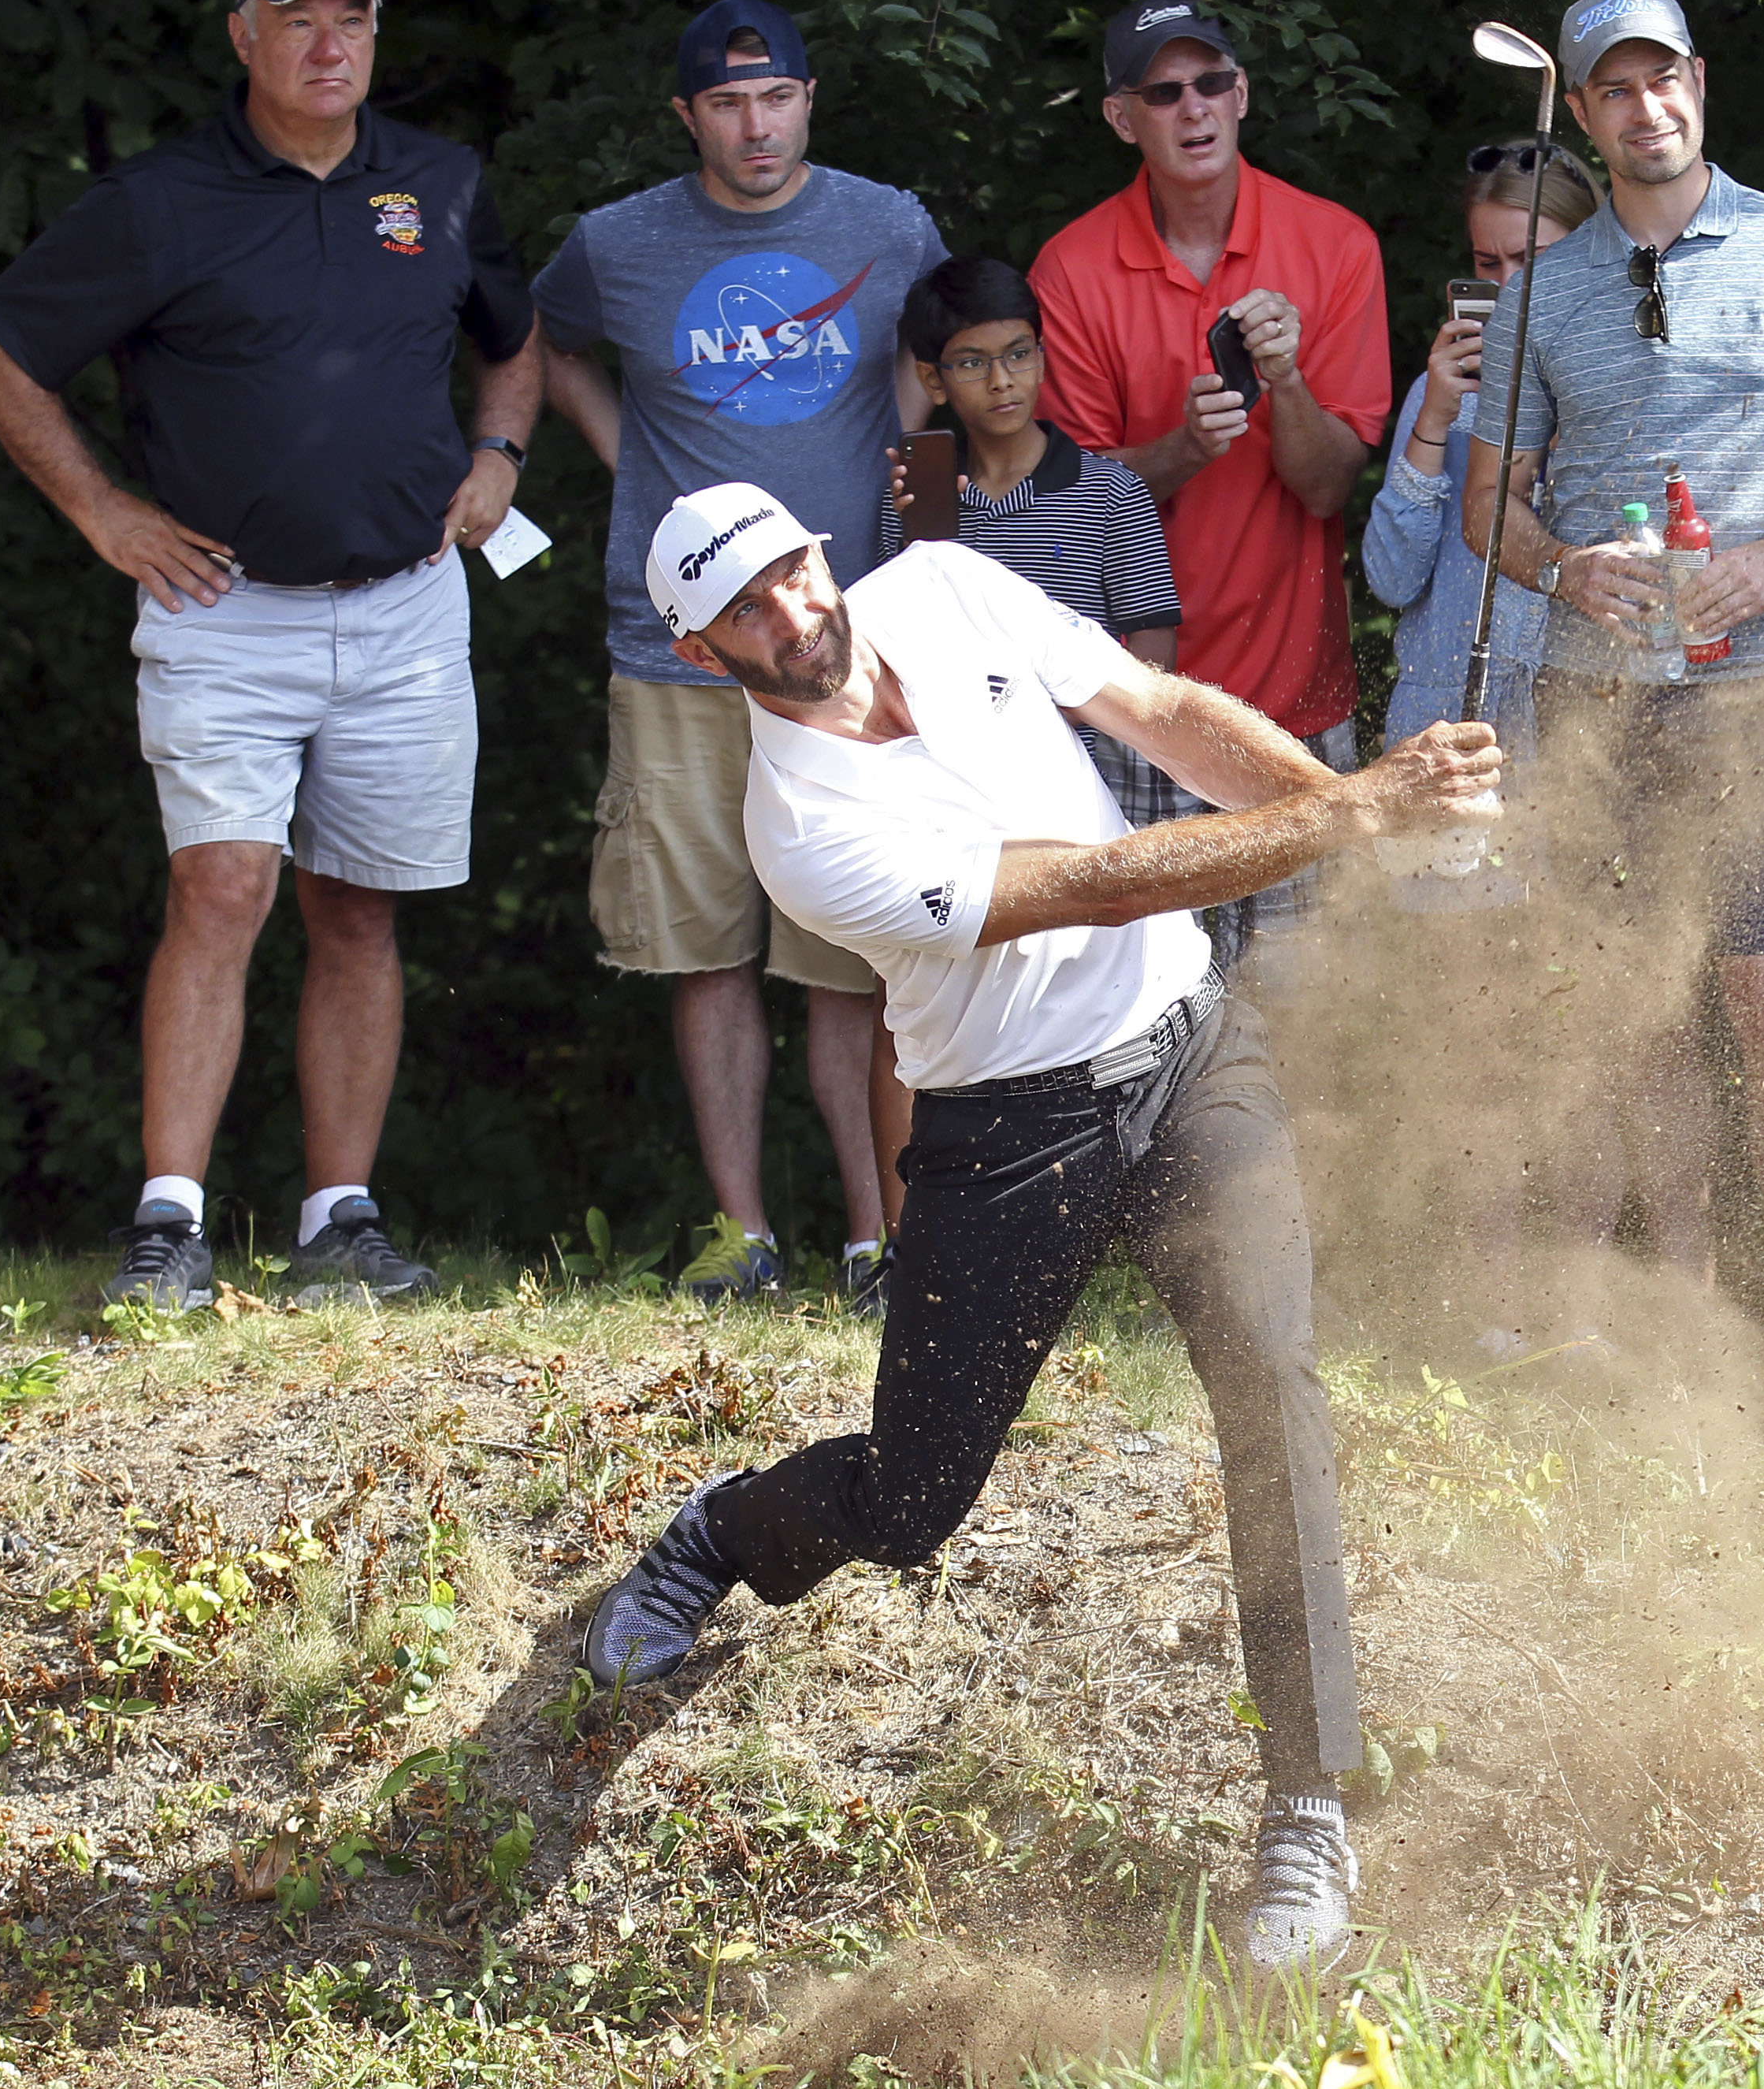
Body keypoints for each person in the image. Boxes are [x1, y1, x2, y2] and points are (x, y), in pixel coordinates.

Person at [575, 482, 1500, 1968]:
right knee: (913, 1494)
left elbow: (1168, 713)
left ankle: (1306, 1809)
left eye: (793, 572)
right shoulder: (799, 825)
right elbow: (1095, 879)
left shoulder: (944, 583)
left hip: (1192, 1045)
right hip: (1010, 1127)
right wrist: (1350, 813)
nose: (792, 615)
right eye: (742, 610)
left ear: (821, 548)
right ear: (700, 652)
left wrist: (1361, 818)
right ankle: (721, 1534)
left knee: (1272, 1385)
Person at [0, 0, 539, 1309]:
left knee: (359, 914)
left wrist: (499, 461)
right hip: (225, 607)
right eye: (299, 23)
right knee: (223, 887)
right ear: (244, 37)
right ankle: (169, 1223)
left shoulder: (440, 184)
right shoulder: (162, 200)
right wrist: (104, 512)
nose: (329, 48)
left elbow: (515, 344)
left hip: (405, 610)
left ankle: (340, 1220)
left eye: (352, 22)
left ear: (376, 37)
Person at [1461, 0, 1764, 1375]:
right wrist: (1562, 570)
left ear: (1701, 84)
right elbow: (1492, 500)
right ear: (1591, 113)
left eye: (1663, 78)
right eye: (1614, 87)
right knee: (1639, 1002)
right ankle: (1686, 1307)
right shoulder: (1544, 288)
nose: (1644, 106)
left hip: (1762, 678)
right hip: (1597, 691)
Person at [533, 0, 943, 1312]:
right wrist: (632, 468)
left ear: (810, 99)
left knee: (850, 955)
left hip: (842, 640)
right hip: (680, 652)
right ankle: (741, 1236)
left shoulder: (888, 225)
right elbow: (535, 343)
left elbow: (943, 368)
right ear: (687, 116)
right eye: (725, 103)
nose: (754, 126)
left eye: (775, 100)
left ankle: (880, 1236)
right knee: (706, 948)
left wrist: (916, 507)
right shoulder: (618, 244)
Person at [1031, 0, 1391, 979]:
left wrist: (1287, 382)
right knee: (1152, 1032)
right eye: (1163, 90)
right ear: (1121, 117)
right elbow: (1065, 504)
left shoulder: (1335, 246)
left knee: (1315, 1022)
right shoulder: (1069, 269)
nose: (1193, 108)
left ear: (1242, 96)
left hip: (1293, 707)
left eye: (1211, 84)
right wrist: (1186, 449)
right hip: (1137, 710)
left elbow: (1325, 491)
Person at [1357, 137, 1615, 1361]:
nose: (1506, 289)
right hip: (1442, 745)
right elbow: (1390, 571)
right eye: (1484, 264)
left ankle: (1584, 1311)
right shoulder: (1442, 397)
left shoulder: (1615, 385)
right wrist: (1433, 430)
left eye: (1535, 262)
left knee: (1567, 1038)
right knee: (1466, 1044)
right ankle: (1486, 1315)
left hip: (1566, 736)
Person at [875, 254, 1185, 810]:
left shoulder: (1111, 492)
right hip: (961, 781)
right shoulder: (917, 501)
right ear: (932, 380)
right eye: (971, 363)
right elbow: (892, 644)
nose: (1000, 381)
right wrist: (909, 543)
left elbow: (1153, 643)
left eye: (1018, 354)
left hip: (1092, 775)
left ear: (1042, 359)